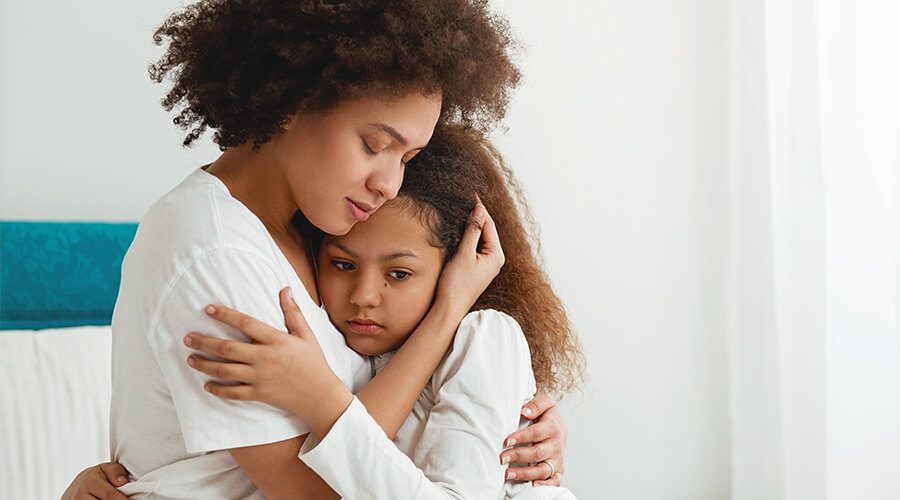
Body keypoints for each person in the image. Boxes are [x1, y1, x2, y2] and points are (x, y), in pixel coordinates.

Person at [61, 1, 568, 499]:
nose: (390, 184)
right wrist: (447, 314)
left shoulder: (316, 230)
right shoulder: (215, 251)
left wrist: (506, 418)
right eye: (373, 144)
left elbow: (380, 416)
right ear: (290, 103)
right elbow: (315, 491)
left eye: (408, 158)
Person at [180, 124, 586, 499]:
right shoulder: (340, 345)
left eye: (398, 272)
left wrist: (324, 402)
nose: (364, 296)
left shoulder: (485, 336)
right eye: (342, 265)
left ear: (453, 270)